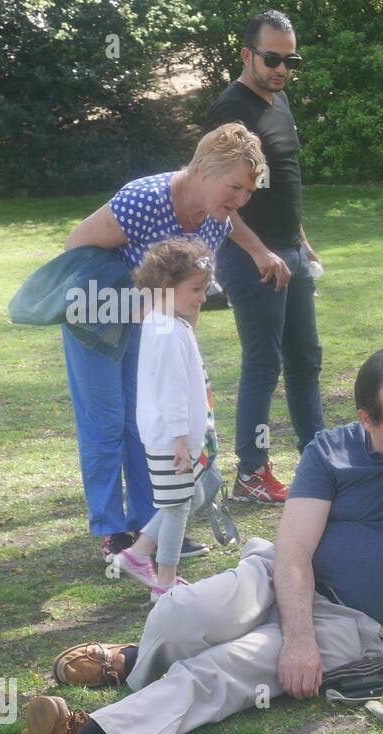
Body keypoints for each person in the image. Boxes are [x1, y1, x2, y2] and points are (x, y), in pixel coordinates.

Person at [22, 348, 383, 734]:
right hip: (275, 576)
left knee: (226, 669)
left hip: (350, 620)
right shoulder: (328, 452)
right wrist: (298, 640)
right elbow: (295, 551)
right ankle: (137, 661)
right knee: (180, 613)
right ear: (367, 420)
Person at [62, 123, 266, 564]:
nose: (240, 201)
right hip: (94, 317)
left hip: (149, 326)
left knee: (148, 422)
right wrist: (134, 302)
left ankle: (149, 528)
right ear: (204, 171)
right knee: (107, 423)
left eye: (248, 192)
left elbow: (191, 294)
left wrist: (183, 348)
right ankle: (112, 531)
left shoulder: (216, 223)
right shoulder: (145, 199)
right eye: (234, 187)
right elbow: (75, 247)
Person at [205, 9, 325, 505]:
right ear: (247, 54)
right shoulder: (230, 111)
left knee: (306, 359)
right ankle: (251, 473)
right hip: (251, 256)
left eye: (290, 60)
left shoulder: (279, 100)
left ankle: (318, 459)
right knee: (264, 362)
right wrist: (259, 252)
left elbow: (282, 182)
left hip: (290, 251)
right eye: (272, 58)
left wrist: (301, 241)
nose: (281, 68)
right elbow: (217, 195)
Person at [111, 238, 218, 603]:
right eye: (196, 290)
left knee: (186, 497)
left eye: (205, 289)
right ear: (165, 288)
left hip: (173, 436)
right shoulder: (168, 331)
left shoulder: (164, 322)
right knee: (176, 508)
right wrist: (179, 442)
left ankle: (139, 554)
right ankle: (165, 582)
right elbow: (172, 391)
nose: (203, 298)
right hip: (172, 438)